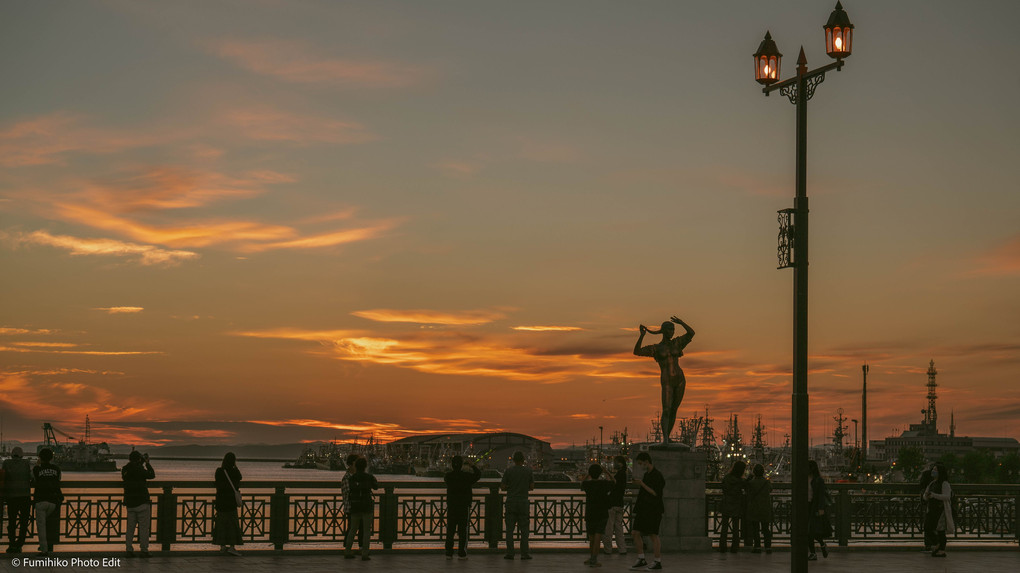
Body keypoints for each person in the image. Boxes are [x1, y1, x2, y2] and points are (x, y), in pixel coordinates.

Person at [633, 316, 695, 444]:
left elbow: (691, 333)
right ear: (663, 331)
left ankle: (668, 436)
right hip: (667, 380)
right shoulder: (656, 348)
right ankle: (665, 439)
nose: (672, 332)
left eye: (673, 329)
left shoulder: (677, 343)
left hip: (680, 379)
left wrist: (682, 322)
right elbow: (637, 351)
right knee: (666, 409)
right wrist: (642, 335)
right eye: (669, 329)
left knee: (674, 409)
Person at [630, 452, 665, 571]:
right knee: (635, 532)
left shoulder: (657, 475)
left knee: (653, 535)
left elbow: (655, 493)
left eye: (641, 463)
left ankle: (657, 561)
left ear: (646, 461)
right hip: (643, 509)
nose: (640, 466)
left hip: (653, 509)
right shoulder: (647, 474)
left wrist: (641, 484)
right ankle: (641, 558)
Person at [444, 455, 481, 560]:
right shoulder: (466, 476)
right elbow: (478, 475)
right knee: (462, 530)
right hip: (464, 506)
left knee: (450, 530)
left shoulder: (448, 476)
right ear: (461, 465)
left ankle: (449, 552)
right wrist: (472, 465)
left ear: (452, 465)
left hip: (452, 506)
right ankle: (461, 553)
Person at [500, 451, 534, 560]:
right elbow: (532, 487)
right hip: (523, 502)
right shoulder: (528, 471)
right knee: (524, 530)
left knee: (509, 530)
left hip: (511, 502)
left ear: (513, 460)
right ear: (523, 460)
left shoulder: (509, 471)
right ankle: (524, 553)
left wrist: (510, 487)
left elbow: (503, 487)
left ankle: (510, 553)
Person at [344, 457, 379, 560]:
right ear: (365, 466)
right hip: (366, 505)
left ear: (356, 466)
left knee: (352, 529)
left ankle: (347, 551)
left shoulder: (351, 478)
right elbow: (376, 487)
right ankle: (365, 553)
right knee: (366, 530)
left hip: (355, 505)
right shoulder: (369, 477)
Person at [122, 451, 155, 558]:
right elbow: (151, 475)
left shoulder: (125, 469)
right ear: (139, 459)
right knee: (144, 528)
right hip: (142, 503)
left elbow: (131, 472)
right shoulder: (140, 469)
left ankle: (129, 549)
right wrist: (147, 463)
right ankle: (144, 550)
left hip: (130, 503)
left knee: (130, 528)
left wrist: (140, 463)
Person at [581, 464, 613, 568]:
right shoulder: (604, 484)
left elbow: (581, 483)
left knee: (591, 538)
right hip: (602, 513)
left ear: (590, 473)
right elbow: (614, 482)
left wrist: (588, 474)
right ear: (600, 473)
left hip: (590, 512)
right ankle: (594, 560)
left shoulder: (587, 485)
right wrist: (606, 472)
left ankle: (591, 558)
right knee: (598, 537)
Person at [32, 448, 62, 556]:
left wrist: (38, 464)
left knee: (41, 526)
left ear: (40, 457)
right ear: (52, 458)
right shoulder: (57, 469)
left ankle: (44, 550)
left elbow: (34, 480)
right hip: (53, 501)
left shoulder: (36, 469)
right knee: (50, 525)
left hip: (40, 500)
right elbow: (58, 480)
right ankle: (50, 547)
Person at [213, 452, 243, 556]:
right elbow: (240, 477)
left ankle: (222, 547)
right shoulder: (234, 472)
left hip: (221, 502)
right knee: (232, 525)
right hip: (231, 502)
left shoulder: (219, 471)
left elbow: (217, 483)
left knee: (221, 524)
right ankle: (232, 547)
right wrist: (235, 466)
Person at [3, 447, 32, 554]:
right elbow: (31, 477)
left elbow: (3, 476)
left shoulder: (6, 463)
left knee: (12, 521)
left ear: (11, 455)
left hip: (11, 497)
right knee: (24, 522)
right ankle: (20, 544)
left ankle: (11, 544)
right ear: (22, 455)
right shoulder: (26, 463)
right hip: (25, 497)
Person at [922, 461, 953, 558]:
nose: (933, 471)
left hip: (941, 510)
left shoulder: (944, 484)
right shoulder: (932, 483)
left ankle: (941, 549)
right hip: (932, 510)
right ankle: (937, 544)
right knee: (928, 527)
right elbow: (925, 495)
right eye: (933, 470)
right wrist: (926, 496)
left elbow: (947, 496)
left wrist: (934, 495)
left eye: (935, 470)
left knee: (940, 530)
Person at [602, 455, 628, 556]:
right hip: (620, 503)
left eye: (615, 462)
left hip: (612, 503)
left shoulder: (620, 474)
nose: (614, 464)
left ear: (620, 463)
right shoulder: (624, 474)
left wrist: (606, 472)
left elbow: (614, 482)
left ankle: (608, 549)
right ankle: (622, 549)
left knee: (609, 527)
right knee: (619, 528)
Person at [719, 460, 746, 553]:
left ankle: (722, 546)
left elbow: (724, 488)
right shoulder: (741, 481)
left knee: (724, 526)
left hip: (726, 502)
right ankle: (735, 547)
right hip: (736, 503)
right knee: (735, 527)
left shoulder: (727, 478)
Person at [745, 463, 773, 554]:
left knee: (755, 529)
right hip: (765, 507)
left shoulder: (751, 483)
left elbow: (748, 491)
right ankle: (768, 547)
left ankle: (757, 546)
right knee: (766, 529)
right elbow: (770, 489)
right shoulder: (767, 482)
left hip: (754, 507)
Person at [807, 460, 831, 561]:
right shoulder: (806, 479)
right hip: (806, 506)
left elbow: (821, 495)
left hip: (814, 507)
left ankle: (813, 552)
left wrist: (821, 508)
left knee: (810, 531)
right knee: (810, 531)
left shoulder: (818, 480)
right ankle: (821, 545)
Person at [918, 462, 935, 552]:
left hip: (928, 502)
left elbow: (921, 486)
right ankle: (935, 544)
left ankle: (929, 544)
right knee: (934, 525)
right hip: (934, 503)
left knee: (928, 524)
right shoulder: (940, 479)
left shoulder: (926, 474)